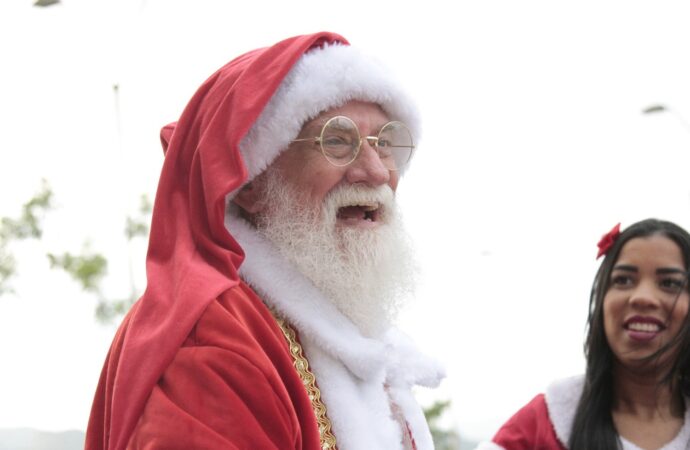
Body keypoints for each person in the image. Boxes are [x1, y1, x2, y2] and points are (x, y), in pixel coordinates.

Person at [85, 32, 444, 450]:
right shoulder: (214, 340)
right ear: (252, 183)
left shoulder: (347, 335)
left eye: (383, 144)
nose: (376, 172)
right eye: (336, 141)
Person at [476, 218, 690, 450]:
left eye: (670, 283)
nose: (643, 297)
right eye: (624, 280)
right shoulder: (539, 425)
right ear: (601, 300)